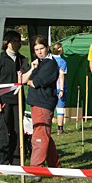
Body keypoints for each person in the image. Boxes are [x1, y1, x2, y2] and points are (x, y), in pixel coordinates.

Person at [22, 35, 61, 169]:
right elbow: (22, 79)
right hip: (36, 103)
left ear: (47, 48)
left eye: (41, 48)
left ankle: (36, 169)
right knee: (44, 134)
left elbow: (36, 83)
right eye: (36, 49)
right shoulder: (38, 63)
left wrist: (30, 81)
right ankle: (55, 166)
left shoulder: (50, 64)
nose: (39, 52)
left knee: (39, 136)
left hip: (43, 103)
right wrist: (32, 70)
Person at [0, 30, 29, 165]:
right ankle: (2, 161)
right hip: (3, 99)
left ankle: (16, 161)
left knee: (18, 130)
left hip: (18, 100)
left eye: (19, 41)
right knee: (3, 132)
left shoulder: (22, 59)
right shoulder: (0, 59)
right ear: (8, 42)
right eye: (14, 41)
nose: (17, 44)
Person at [51, 42, 68, 135]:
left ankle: (48, 128)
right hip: (59, 87)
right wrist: (61, 89)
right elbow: (61, 76)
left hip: (50, 87)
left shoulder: (49, 60)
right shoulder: (62, 62)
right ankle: (60, 129)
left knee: (50, 108)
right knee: (60, 108)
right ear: (61, 50)